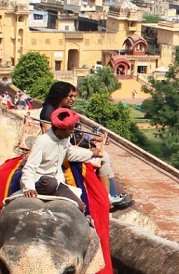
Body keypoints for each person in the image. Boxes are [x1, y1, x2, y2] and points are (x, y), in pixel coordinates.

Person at [40, 81, 133, 210]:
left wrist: (96, 138)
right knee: (104, 156)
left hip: (71, 146)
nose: (73, 99)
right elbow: (51, 136)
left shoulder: (64, 110)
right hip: (61, 150)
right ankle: (107, 198)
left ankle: (112, 194)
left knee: (104, 156)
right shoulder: (49, 111)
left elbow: (75, 133)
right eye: (70, 96)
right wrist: (87, 151)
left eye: (74, 96)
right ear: (60, 95)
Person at [20, 107, 104, 214]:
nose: (72, 131)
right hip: (41, 181)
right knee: (50, 183)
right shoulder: (42, 142)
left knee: (79, 206)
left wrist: (91, 153)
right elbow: (30, 167)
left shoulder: (65, 139)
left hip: (57, 183)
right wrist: (29, 188)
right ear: (60, 129)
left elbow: (70, 154)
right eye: (70, 129)